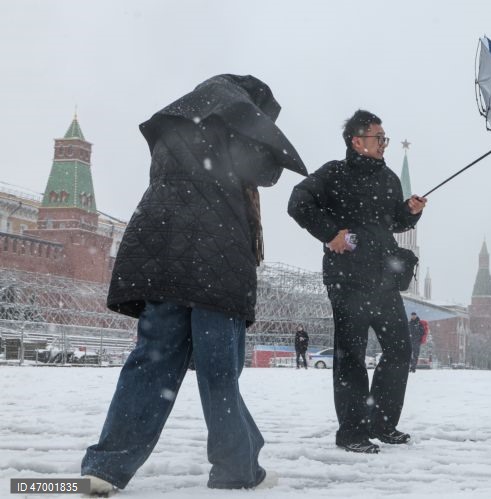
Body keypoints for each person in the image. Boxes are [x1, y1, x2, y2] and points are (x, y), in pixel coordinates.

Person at [80, 74, 306, 495]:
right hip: (215, 260)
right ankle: (236, 469)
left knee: (150, 362)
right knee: (219, 370)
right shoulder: (235, 122)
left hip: (161, 252)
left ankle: (105, 468)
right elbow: (266, 172)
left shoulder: (174, 123)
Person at [287, 109, 427, 454]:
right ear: (357, 140)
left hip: (383, 280)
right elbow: (297, 202)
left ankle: (382, 423)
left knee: (399, 350)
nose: (383, 144)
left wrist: (410, 211)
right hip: (348, 280)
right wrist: (330, 233)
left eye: (384, 139)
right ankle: (351, 432)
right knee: (352, 355)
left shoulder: (389, 178)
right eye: (378, 138)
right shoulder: (334, 173)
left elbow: (392, 222)